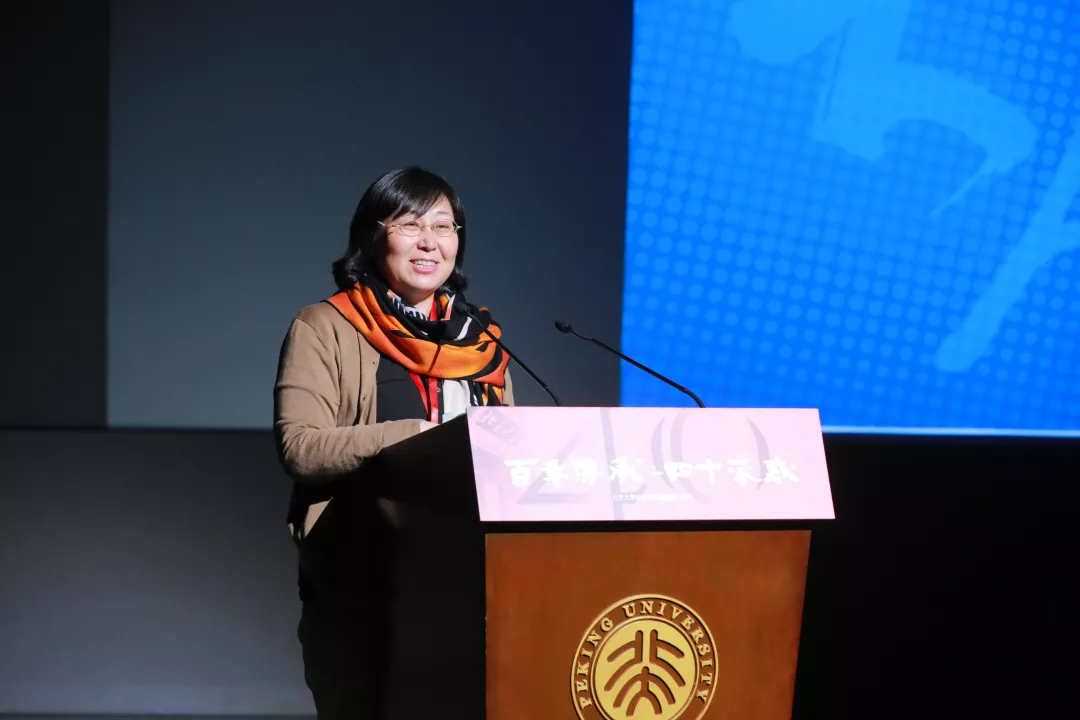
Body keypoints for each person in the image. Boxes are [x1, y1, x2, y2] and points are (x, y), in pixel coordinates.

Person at [272, 166, 514, 718]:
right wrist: (421, 439)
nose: (429, 241)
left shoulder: (481, 342)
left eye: (443, 226)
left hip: (469, 590)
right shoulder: (326, 326)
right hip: (365, 586)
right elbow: (300, 446)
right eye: (409, 224)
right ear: (372, 236)